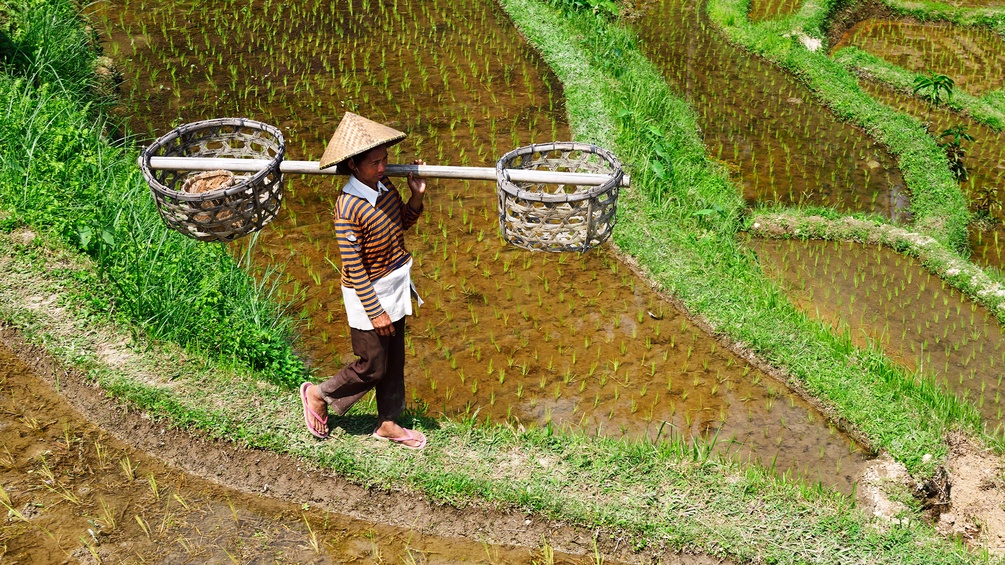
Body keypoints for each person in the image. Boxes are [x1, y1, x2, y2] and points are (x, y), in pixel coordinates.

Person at [299, 112, 427, 449]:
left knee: (394, 360)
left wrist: (416, 196)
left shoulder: (384, 186)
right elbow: (354, 268)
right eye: (375, 163)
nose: (383, 168)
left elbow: (400, 222)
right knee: (372, 364)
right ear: (354, 165)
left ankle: (388, 422)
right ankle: (318, 394)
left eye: (385, 160)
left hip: (394, 283)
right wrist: (376, 312)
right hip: (368, 294)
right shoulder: (348, 208)